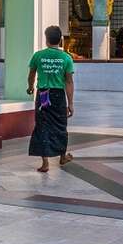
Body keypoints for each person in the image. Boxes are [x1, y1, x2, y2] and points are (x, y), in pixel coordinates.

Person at [26, 25, 74, 173]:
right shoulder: (66, 58)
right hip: (58, 96)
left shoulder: (38, 56)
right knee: (60, 125)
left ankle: (45, 162)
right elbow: (69, 82)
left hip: (43, 95)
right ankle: (62, 156)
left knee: (43, 125)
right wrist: (70, 103)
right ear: (60, 40)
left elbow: (31, 75)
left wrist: (30, 87)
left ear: (46, 40)